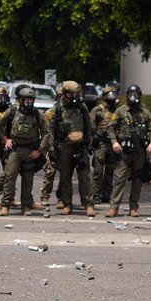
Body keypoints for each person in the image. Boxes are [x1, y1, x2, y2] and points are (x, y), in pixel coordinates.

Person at [107, 84, 151, 217]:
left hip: (140, 151)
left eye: (136, 95)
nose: (133, 97)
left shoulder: (145, 112)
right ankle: (114, 207)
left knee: (137, 179)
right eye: (130, 94)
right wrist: (114, 142)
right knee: (119, 178)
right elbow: (110, 127)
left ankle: (133, 208)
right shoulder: (121, 111)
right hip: (124, 151)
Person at [46, 80, 95, 216]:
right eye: (73, 94)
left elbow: (88, 123)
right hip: (64, 146)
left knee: (84, 177)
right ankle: (67, 204)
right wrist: (51, 148)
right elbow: (49, 129)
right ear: (66, 93)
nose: (76, 96)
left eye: (77, 94)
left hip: (80, 147)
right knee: (65, 176)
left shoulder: (81, 107)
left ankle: (88, 205)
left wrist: (89, 141)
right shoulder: (57, 108)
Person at [0, 86, 45, 215]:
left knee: (28, 180)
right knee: (9, 177)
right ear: (20, 100)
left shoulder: (37, 114)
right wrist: (5, 139)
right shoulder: (12, 111)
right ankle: (5, 205)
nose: (29, 102)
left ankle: (26, 206)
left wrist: (39, 151)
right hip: (15, 150)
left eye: (31, 100)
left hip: (31, 151)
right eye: (26, 100)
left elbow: (46, 133)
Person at [90, 87, 119, 204]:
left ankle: (106, 195)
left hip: (113, 144)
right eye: (108, 95)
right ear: (104, 97)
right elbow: (91, 126)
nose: (111, 97)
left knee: (110, 172)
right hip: (101, 143)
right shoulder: (98, 110)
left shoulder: (118, 111)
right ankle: (96, 195)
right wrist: (92, 140)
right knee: (98, 171)